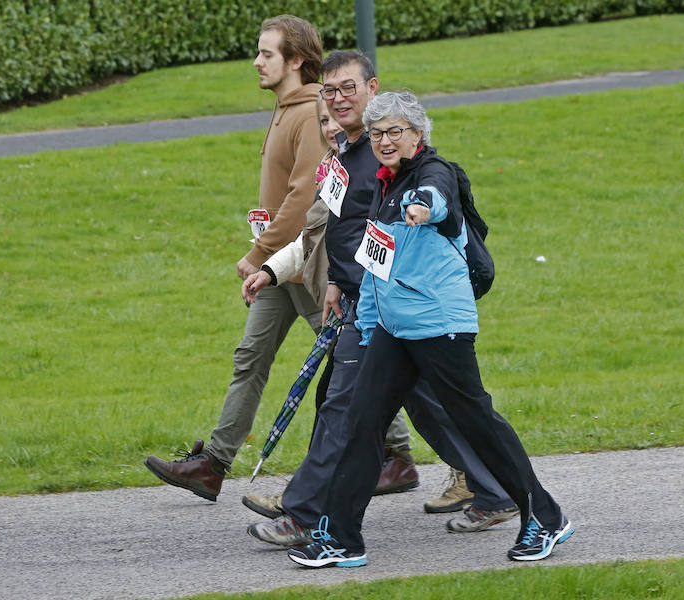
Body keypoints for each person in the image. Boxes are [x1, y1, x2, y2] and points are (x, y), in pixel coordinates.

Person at [285, 91, 574, 568]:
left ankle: (543, 517)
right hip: (395, 332)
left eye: (395, 131)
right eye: (377, 133)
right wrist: (370, 324)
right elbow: (377, 265)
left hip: (442, 327)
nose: (384, 140)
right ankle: (341, 538)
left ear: (418, 134)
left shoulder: (433, 173)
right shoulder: (384, 183)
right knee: (362, 424)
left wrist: (422, 207)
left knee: (477, 423)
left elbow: (435, 199)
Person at [245, 53, 520, 548]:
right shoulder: (345, 158)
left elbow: (432, 192)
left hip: (402, 307)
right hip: (371, 304)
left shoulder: (389, 155)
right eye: (329, 92)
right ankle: (495, 490)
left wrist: (418, 214)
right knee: (430, 405)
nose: (337, 100)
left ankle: (307, 513)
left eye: (348, 88)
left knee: (345, 407)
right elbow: (334, 230)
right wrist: (320, 280)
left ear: (372, 88)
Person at [143, 15, 326, 501]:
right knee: (250, 356)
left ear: (296, 61)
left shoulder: (310, 112)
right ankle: (213, 465)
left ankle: (396, 456)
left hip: (304, 262)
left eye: (267, 54)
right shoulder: (285, 107)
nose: (257, 62)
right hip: (278, 267)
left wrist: (260, 253)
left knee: (355, 358)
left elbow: (304, 194)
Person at [239, 97, 419, 519]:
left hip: (396, 312)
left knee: (438, 405)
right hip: (361, 310)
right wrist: (272, 270)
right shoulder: (337, 167)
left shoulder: (376, 169)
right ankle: (311, 503)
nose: (330, 126)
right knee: (337, 402)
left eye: (336, 116)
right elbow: (317, 236)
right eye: (322, 120)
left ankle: (483, 480)